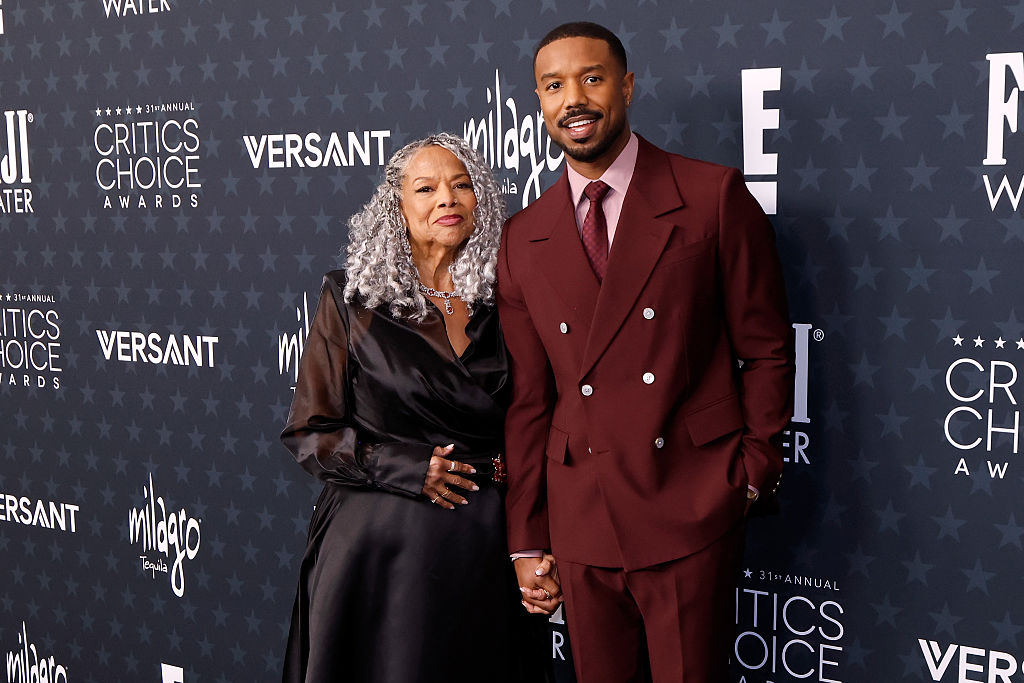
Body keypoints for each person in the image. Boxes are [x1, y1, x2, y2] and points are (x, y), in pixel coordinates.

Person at [497, 22, 795, 683]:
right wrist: (526, 535)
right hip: (581, 515)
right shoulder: (523, 237)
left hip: (690, 499)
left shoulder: (711, 196)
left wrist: (751, 469)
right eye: (553, 86)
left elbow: (768, 347)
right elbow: (528, 400)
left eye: (592, 78)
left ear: (627, 87)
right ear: (539, 103)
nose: (573, 98)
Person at [281, 133, 547, 683]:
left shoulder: (511, 300)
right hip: (379, 545)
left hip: (486, 544)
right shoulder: (350, 300)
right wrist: (403, 466)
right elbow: (310, 432)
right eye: (426, 188)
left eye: (462, 185)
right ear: (396, 207)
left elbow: (539, 420)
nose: (446, 199)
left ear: (483, 202)